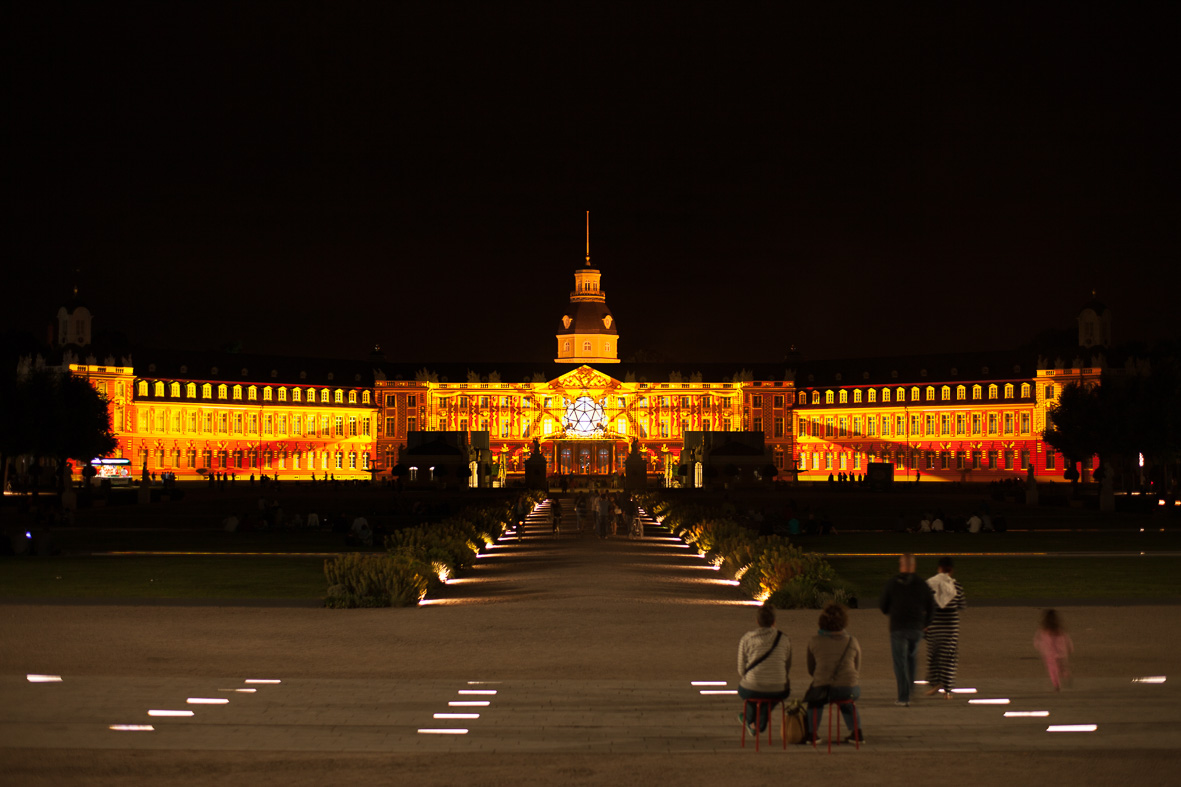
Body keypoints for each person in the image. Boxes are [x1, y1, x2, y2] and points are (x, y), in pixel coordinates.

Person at [879, 553, 935, 706]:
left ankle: (903, 697)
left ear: (901, 565)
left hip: (898, 627)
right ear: (914, 566)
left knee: (900, 662)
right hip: (916, 628)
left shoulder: (893, 583)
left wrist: (893, 610)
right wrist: (926, 623)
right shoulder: (922, 584)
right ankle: (910, 690)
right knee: (911, 658)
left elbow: (883, 606)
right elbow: (931, 606)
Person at [805, 603, 863, 744]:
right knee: (847, 702)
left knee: (814, 702)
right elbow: (856, 667)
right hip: (848, 687)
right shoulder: (852, 641)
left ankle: (812, 734)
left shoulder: (814, 641)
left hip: (823, 685)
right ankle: (857, 733)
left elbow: (811, 669)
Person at [737, 603, 791, 738]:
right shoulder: (784, 639)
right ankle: (759, 721)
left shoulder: (747, 638)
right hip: (777, 687)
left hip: (752, 686)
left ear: (757, 621)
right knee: (775, 696)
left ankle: (750, 720)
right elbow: (787, 666)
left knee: (748, 693)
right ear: (774, 621)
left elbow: (741, 669)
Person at [924, 557, 966, 697]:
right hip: (950, 628)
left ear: (939, 568)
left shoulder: (930, 585)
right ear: (951, 570)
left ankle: (936, 683)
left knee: (934, 657)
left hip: (935, 627)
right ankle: (947, 690)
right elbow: (961, 605)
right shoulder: (956, 586)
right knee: (949, 658)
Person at [1034, 609, 1073, 691]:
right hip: (1061, 652)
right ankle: (1066, 674)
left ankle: (1056, 685)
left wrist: (1038, 646)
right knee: (1062, 667)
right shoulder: (1059, 630)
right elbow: (1067, 639)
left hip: (1050, 654)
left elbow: (1037, 640)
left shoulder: (1043, 630)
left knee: (1052, 670)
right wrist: (1070, 647)